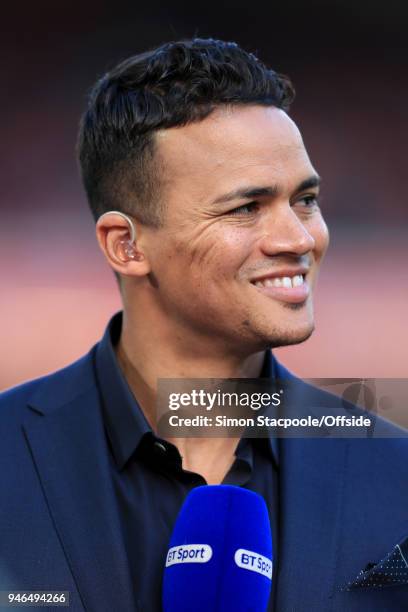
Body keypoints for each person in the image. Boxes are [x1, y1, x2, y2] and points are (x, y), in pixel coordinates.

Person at [1, 38, 407, 612]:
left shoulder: (395, 473)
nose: (298, 238)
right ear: (126, 245)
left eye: (306, 200)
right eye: (246, 208)